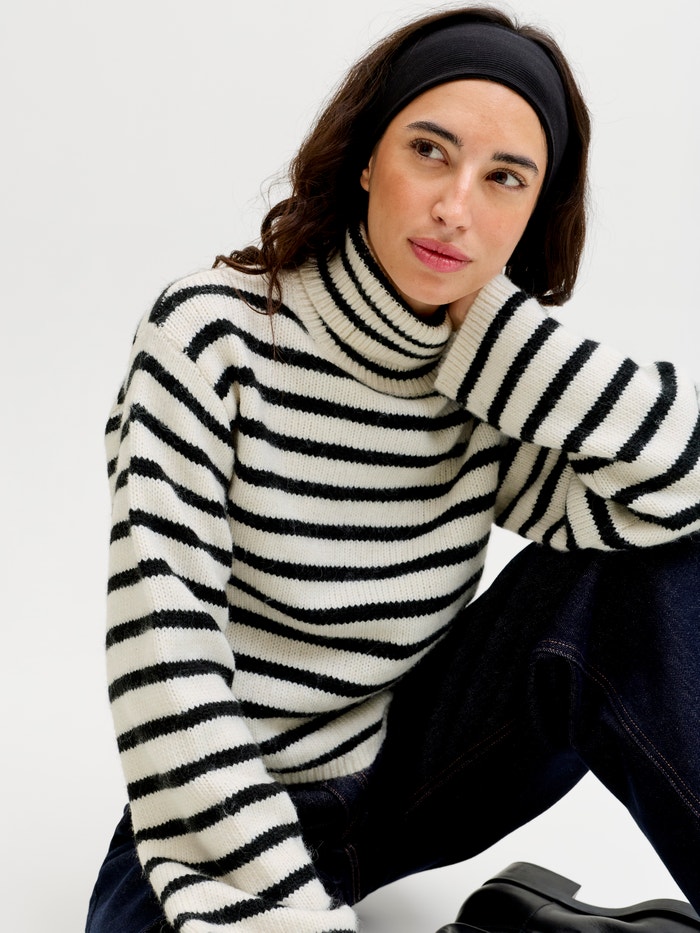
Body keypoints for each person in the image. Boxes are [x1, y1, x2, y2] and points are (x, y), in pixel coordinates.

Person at [85, 6, 700, 933]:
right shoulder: (211, 337)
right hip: (208, 809)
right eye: (429, 152)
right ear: (369, 157)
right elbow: (165, 652)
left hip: (396, 783)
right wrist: (290, 914)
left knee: (644, 573)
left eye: (504, 178)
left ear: (536, 208)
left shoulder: (488, 375)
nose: (456, 207)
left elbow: (680, 495)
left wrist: (512, 342)